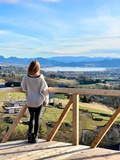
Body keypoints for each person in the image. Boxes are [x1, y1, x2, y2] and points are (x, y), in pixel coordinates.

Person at [21, 60, 49, 143]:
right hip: (38, 100)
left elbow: (23, 87)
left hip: (30, 100)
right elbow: (45, 89)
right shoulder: (41, 77)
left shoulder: (26, 77)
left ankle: (29, 136)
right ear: (38, 68)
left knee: (31, 118)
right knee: (37, 119)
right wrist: (46, 100)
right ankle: (35, 136)